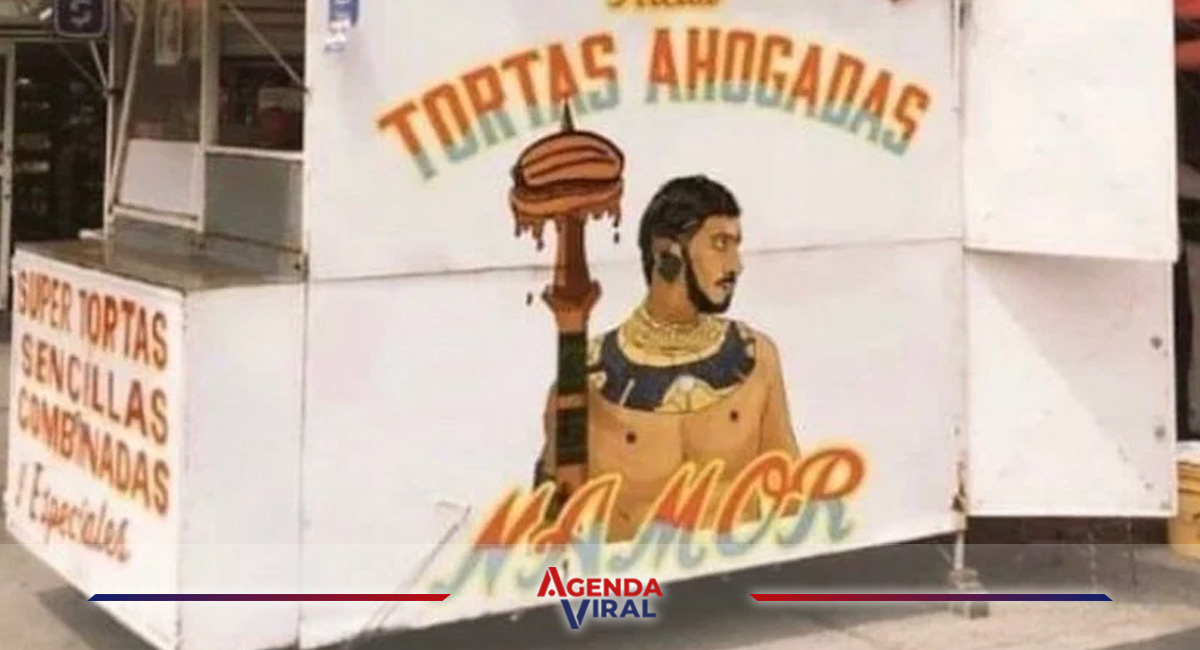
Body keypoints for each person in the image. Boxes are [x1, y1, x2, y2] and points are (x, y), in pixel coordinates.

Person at [535, 175, 801, 541]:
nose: (736, 265)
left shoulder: (758, 358)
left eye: (736, 245)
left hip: (739, 571)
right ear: (667, 253)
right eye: (720, 244)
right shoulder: (583, 379)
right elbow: (551, 532)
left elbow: (792, 498)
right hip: (637, 575)